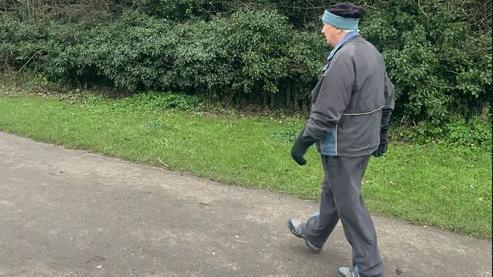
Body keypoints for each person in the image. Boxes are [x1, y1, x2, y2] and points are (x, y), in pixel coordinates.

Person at [287, 2, 395, 277]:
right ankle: (314, 234)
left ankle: (369, 268)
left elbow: (326, 112)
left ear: (338, 28)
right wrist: (382, 131)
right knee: (333, 190)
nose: (322, 30)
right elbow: (388, 94)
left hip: (343, 146)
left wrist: (303, 141)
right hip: (364, 141)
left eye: (325, 25)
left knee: (350, 204)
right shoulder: (370, 51)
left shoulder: (344, 59)